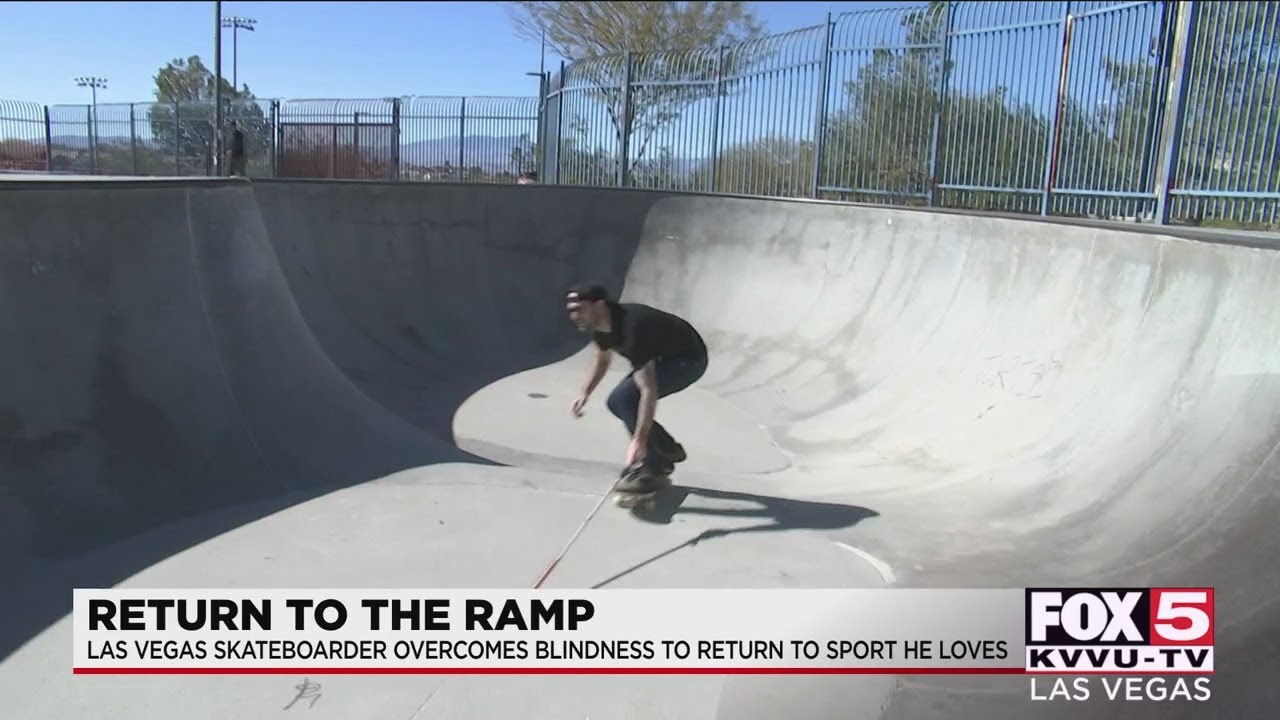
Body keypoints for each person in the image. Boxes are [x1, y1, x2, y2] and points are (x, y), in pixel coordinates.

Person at [565, 283, 709, 491]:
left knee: (626, 399)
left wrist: (638, 442)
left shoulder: (631, 330)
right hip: (665, 356)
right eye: (571, 311)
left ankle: (653, 469)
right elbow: (602, 359)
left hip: (688, 360)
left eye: (579, 309)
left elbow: (648, 391)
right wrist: (585, 393)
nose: (574, 316)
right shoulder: (602, 325)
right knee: (616, 401)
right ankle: (666, 449)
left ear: (599, 304)